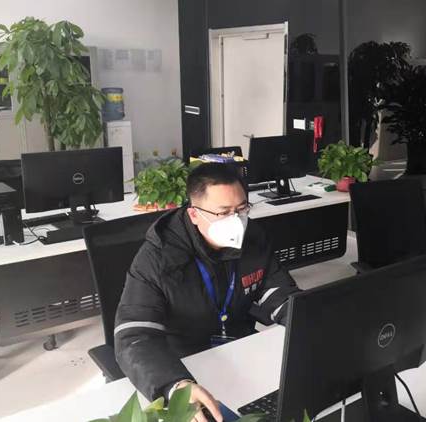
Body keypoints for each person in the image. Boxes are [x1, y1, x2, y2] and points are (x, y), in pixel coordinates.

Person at [115, 163, 299, 422]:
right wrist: (176, 387)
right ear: (193, 214)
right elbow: (134, 336)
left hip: (240, 350)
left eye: (241, 209)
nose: (236, 220)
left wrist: (308, 324)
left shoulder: (253, 237)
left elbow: (277, 290)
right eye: (223, 213)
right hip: (181, 362)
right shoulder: (157, 257)